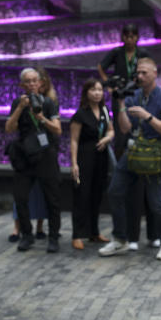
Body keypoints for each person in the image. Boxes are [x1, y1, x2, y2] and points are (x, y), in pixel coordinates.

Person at [99, 57, 161, 261]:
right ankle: (120, 239)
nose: (140, 76)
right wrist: (121, 104)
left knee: (155, 200)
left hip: (153, 153)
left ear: (155, 73)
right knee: (115, 191)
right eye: (138, 73)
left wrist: (147, 116)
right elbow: (125, 128)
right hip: (133, 151)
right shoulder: (133, 95)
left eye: (144, 73)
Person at [4, 68, 62, 252]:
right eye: (27, 81)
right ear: (22, 85)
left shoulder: (49, 103)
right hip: (25, 155)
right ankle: (26, 235)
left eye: (34, 81)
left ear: (40, 83)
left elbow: (58, 130)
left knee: (52, 198)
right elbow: (9, 128)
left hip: (46, 155)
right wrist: (20, 108)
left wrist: (42, 118)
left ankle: (53, 237)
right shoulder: (17, 103)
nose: (31, 84)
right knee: (20, 197)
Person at [69, 78, 114, 250]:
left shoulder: (104, 110)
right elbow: (73, 140)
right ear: (86, 93)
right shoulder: (80, 114)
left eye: (100, 90)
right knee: (82, 196)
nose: (97, 93)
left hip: (101, 158)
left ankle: (94, 232)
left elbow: (111, 129)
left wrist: (108, 138)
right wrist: (74, 164)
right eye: (93, 90)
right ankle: (77, 234)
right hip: (84, 157)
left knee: (97, 195)